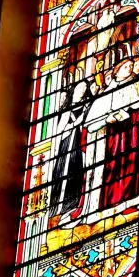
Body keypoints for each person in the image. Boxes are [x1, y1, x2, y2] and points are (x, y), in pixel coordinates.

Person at [83, 58, 139, 215]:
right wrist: (105, 119)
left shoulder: (136, 87)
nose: (129, 69)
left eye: (131, 66)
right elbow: (91, 123)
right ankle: (113, 202)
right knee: (114, 168)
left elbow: (138, 105)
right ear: (117, 70)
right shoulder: (106, 93)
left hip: (130, 135)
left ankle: (129, 200)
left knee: (132, 164)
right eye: (126, 66)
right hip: (113, 139)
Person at [48, 79, 91, 220]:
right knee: (63, 172)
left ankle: (71, 204)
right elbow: (60, 130)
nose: (83, 90)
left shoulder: (86, 106)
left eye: (85, 87)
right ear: (74, 89)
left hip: (79, 144)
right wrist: (74, 124)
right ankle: (58, 205)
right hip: (67, 144)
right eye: (80, 87)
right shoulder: (67, 108)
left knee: (76, 171)